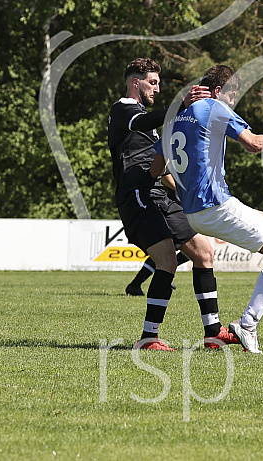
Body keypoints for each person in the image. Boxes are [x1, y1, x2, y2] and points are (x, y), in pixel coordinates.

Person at [151, 64, 263, 354]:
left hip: (194, 212)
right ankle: (247, 323)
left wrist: (187, 190)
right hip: (216, 206)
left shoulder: (175, 119)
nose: (234, 102)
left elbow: (156, 169)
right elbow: (254, 144)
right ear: (217, 91)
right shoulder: (214, 107)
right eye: (233, 95)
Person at [108, 58, 239, 350]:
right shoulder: (123, 110)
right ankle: (149, 338)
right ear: (135, 82)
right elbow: (145, 122)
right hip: (137, 195)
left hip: (158, 193)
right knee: (166, 260)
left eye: (158, 82)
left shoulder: (147, 118)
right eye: (152, 82)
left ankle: (213, 332)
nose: (157, 87)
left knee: (204, 253)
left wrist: (184, 191)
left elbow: (161, 167)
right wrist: (182, 103)